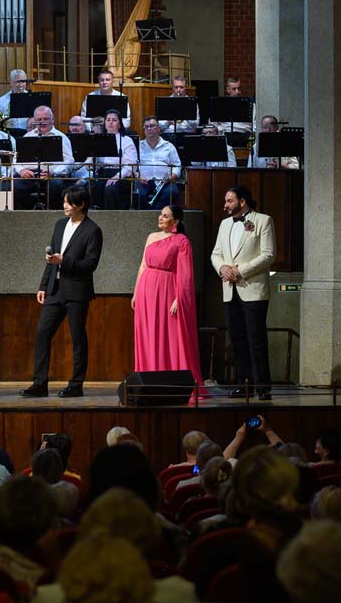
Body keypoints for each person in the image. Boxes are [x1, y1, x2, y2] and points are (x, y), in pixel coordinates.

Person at [21, 184, 103, 399]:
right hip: (55, 289)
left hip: (77, 291)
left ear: (81, 204)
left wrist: (64, 260)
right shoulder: (59, 225)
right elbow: (51, 260)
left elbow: (91, 264)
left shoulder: (92, 230)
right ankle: (40, 384)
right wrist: (43, 286)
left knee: (77, 338)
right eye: (64, 202)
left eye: (68, 202)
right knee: (42, 333)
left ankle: (76, 385)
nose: (64, 206)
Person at [132, 205, 210, 406]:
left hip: (167, 292)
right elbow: (143, 265)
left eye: (165, 216)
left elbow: (186, 274)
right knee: (149, 335)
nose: (160, 218)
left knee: (170, 336)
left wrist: (178, 298)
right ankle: (150, 382)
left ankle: (174, 383)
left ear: (175, 221)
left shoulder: (182, 241)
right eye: (161, 214)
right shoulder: (151, 237)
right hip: (146, 292)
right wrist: (136, 292)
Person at [211, 185, 276, 400]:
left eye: (229, 201)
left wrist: (240, 271)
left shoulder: (263, 220)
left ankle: (263, 386)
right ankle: (244, 384)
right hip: (230, 289)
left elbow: (268, 255)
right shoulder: (224, 224)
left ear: (242, 201)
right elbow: (216, 253)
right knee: (237, 339)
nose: (225, 205)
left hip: (253, 289)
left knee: (256, 339)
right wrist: (222, 268)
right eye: (225, 201)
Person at [14, 106, 76, 209]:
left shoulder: (61, 137)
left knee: (56, 185)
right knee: (15, 186)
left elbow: (69, 161)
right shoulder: (27, 137)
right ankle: (24, 216)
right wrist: (21, 171)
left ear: (52, 119)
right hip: (29, 176)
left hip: (52, 176)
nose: (42, 122)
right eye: (39, 119)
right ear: (34, 121)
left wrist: (54, 172)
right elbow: (15, 159)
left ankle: (50, 216)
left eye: (46, 119)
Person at [92, 110, 137, 210]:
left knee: (110, 190)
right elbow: (93, 162)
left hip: (121, 174)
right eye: (108, 120)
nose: (110, 123)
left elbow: (131, 165)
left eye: (114, 120)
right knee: (94, 187)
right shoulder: (99, 139)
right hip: (103, 173)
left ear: (119, 124)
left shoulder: (126, 140)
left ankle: (111, 218)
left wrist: (117, 176)